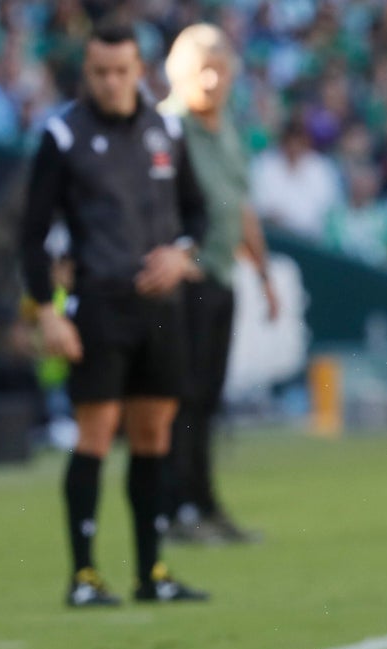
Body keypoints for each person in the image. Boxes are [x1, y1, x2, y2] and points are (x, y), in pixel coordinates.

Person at [19, 20, 210, 606]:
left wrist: (180, 258)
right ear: (87, 73)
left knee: (153, 434)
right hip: (97, 304)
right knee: (96, 434)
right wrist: (47, 314)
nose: (111, 81)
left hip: (160, 307)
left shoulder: (166, 130)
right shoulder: (62, 135)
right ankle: (83, 575)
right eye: (100, 72)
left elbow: (197, 216)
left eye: (121, 70)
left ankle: (152, 573)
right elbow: (31, 237)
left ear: (138, 71)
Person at [160, 23, 279, 545]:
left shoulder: (227, 127)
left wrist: (264, 273)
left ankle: (202, 504)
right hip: (181, 282)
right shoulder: (164, 128)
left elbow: (241, 205)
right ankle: (173, 509)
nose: (211, 79)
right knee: (177, 400)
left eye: (220, 68)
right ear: (178, 73)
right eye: (200, 68)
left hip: (221, 277)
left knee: (205, 400)